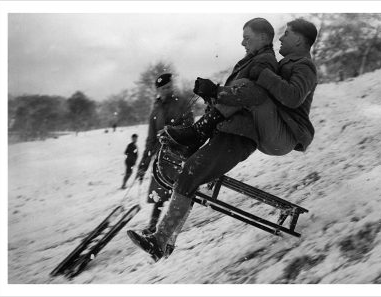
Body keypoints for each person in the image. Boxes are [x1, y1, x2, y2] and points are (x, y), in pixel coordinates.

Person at [127, 18, 318, 262]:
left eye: (247, 37)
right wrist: (215, 96)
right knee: (189, 175)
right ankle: (164, 239)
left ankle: (161, 240)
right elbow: (244, 97)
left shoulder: (291, 64)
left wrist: (218, 91)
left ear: (298, 39)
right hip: (241, 130)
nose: (281, 37)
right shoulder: (272, 62)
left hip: (260, 135)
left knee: (190, 174)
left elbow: (275, 95)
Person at [134, 73, 194, 238]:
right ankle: (153, 226)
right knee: (159, 193)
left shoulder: (181, 103)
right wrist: (143, 166)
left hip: (179, 154)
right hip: (162, 158)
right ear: (158, 90)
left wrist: (172, 132)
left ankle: (173, 228)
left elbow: (190, 126)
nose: (168, 90)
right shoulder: (155, 109)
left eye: (169, 86)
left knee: (181, 192)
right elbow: (151, 139)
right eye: (164, 88)